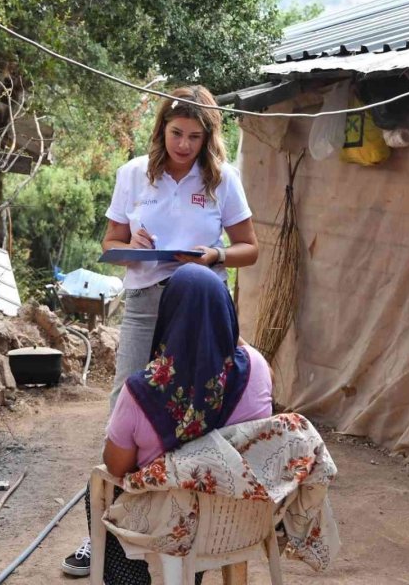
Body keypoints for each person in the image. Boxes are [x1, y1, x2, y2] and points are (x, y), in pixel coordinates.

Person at [63, 85, 259, 576]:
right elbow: (109, 244)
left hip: (200, 304)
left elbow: (250, 248)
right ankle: (106, 535)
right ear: (161, 129)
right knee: (124, 408)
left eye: (195, 136)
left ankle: (196, 528)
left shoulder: (222, 179)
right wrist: (130, 245)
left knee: (203, 408)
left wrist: (214, 255)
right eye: (176, 133)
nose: (184, 145)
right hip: (146, 301)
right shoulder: (133, 173)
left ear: (208, 137)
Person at [71, 264, 274, 583]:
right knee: (203, 487)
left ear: (167, 316)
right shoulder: (258, 369)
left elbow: (116, 466)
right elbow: (244, 351)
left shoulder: (140, 392)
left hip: (171, 525)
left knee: (99, 490)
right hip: (237, 516)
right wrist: (217, 325)